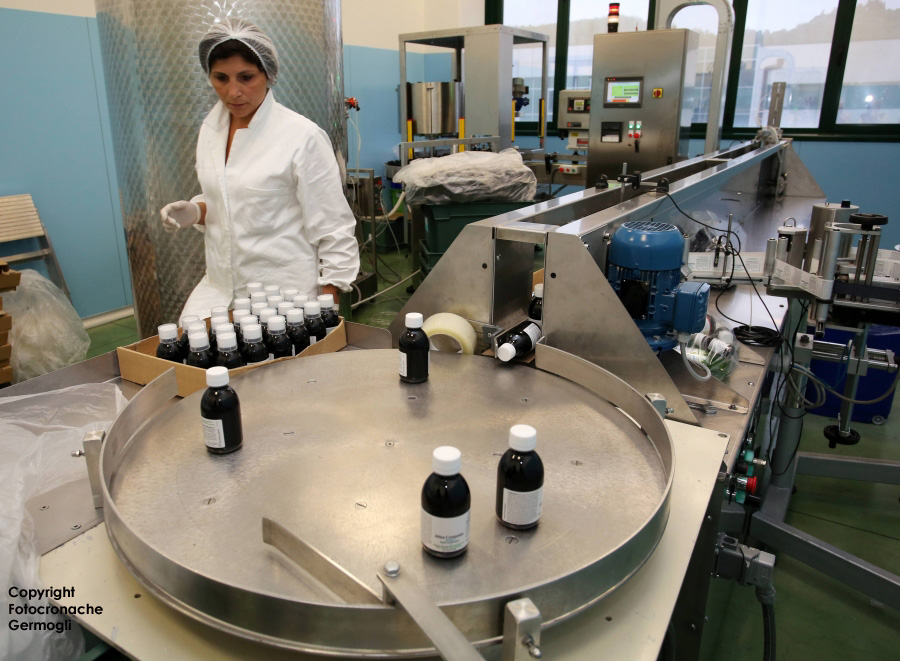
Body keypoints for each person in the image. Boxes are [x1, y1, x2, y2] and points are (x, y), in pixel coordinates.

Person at [160, 18, 359, 319]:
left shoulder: (301, 137)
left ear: (268, 74)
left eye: (246, 77)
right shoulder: (210, 131)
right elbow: (234, 196)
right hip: (219, 289)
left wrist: (327, 305)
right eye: (221, 78)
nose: (233, 92)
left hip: (283, 297)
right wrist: (197, 210)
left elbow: (334, 227)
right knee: (189, 343)